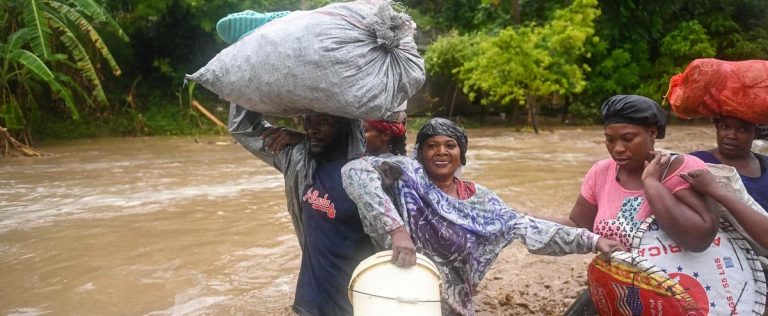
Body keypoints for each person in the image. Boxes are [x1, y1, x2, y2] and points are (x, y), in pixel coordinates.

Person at [341, 117, 623, 316]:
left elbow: (530, 228)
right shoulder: (406, 175)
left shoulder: (483, 202)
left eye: (450, 145)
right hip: (398, 294)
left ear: (461, 155)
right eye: (432, 145)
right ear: (420, 152)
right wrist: (396, 230)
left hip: (454, 306)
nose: (441, 151)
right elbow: (354, 172)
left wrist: (594, 241)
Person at [553, 95, 719, 314]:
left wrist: (651, 183)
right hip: (620, 286)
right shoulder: (600, 172)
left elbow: (699, 238)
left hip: (678, 294)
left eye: (627, 138)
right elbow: (577, 224)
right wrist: (521, 219)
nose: (617, 148)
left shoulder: (681, 169)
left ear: (651, 133)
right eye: (610, 139)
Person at [228, 104, 373, 316]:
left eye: (323, 122)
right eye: (309, 121)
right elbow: (242, 127)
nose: (312, 129)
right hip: (306, 305)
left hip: (354, 306)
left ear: (345, 126)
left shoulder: (368, 178)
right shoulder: (298, 161)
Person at [689, 116, 768, 211]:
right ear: (717, 128)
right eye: (725, 127)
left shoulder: (765, 163)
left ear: (756, 133)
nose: (732, 136)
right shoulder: (696, 162)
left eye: (743, 130)